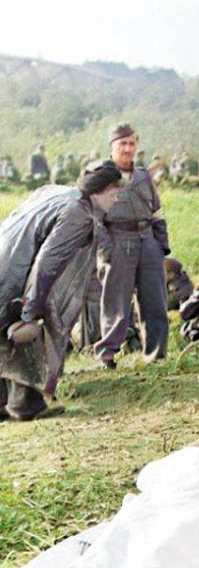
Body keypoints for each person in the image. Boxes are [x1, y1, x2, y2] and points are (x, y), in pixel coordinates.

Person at [0, 160, 122, 420]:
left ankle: (5, 404)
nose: (117, 198)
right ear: (98, 191)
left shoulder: (60, 193)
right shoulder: (78, 214)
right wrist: (30, 311)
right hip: (12, 274)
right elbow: (47, 264)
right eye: (114, 192)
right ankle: (26, 405)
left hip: (5, 258)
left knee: (4, 335)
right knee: (26, 329)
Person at [94, 123, 171, 368]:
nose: (127, 149)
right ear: (112, 147)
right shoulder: (101, 178)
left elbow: (157, 211)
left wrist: (161, 244)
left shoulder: (143, 176)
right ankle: (107, 354)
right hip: (118, 240)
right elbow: (94, 219)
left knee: (155, 301)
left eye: (131, 144)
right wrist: (106, 250)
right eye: (122, 144)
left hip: (148, 241)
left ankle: (156, 355)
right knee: (116, 302)